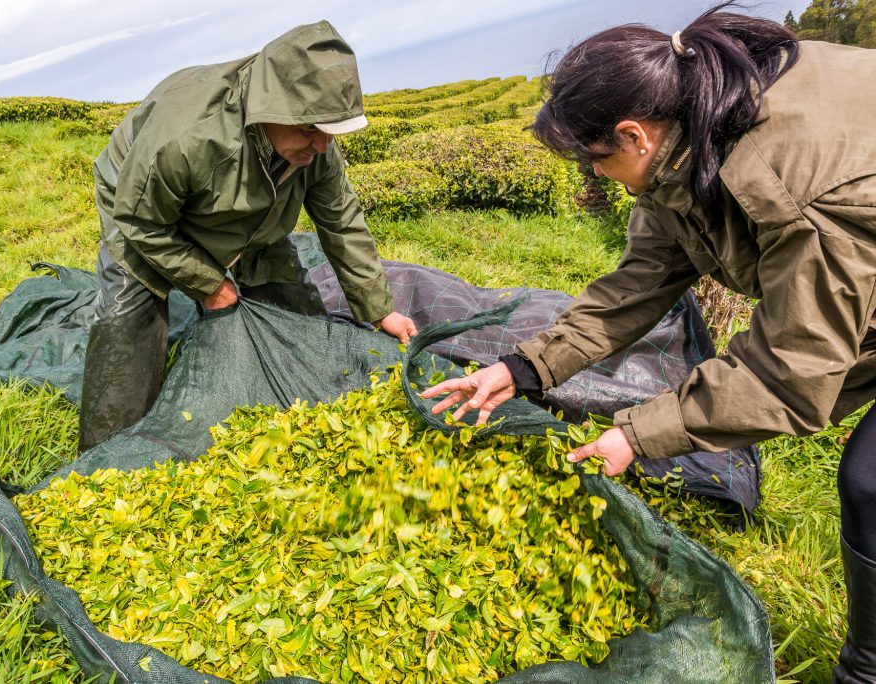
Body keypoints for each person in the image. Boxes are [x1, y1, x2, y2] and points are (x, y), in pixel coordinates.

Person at [422, 4, 876, 680]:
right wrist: (523, 368)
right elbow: (641, 280)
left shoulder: (792, 182)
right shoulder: (689, 133)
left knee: (870, 483)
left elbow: (790, 370)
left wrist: (635, 435)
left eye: (597, 161)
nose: (597, 178)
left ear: (633, 134)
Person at [80, 20, 417, 453]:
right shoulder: (186, 137)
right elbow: (141, 222)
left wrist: (378, 309)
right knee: (128, 320)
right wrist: (208, 284)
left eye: (329, 132)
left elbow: (342, 220)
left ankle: (296, 396)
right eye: (310, 130)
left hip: (250, 205)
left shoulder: (314, 145)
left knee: (290, 304)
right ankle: (112, 454)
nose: (320, 145)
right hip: (142, 203)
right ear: (272, 110)